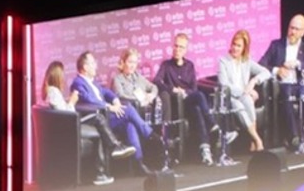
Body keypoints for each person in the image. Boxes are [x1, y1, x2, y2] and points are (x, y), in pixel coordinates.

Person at [41, 59, 134, 184]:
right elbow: (65, 115)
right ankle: (115, 146)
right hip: (69, 126)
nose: (63, 78)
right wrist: (72, 101)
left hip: (69, 124)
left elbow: (62, 111)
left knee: (99, 130)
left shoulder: (51, 91)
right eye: (62, 75)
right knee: (98, 117)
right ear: (57, 76)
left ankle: (100, 174)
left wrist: (69, 102)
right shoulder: (53, 92)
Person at [153, 32, 238, 167]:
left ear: (185, 50)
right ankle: (213, 125)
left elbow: (193, 88)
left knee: (197, 106)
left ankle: (206, 152)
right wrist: (173, 90)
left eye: (181, 47)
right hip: (177, 104)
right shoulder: (166, 65)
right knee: (199, 98)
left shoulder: (189, 66)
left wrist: (184, 92)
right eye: (175, 46)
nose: (177, 49)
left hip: (189, 100)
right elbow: (157, 81)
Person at [71, 50, 161, 174]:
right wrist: (109, 106)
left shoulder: (93, 82)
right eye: (93, 63)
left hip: (106, 116)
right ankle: (150, 134)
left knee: (130, 125)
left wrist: (116, 101)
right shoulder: (78, 83)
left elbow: (107, 92)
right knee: (128, 108)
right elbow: (89, 100)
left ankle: (138, 163)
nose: (96, 65)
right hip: (97, 118)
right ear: (85, 67)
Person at [258, 14, 304, 153]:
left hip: (300, 84)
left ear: (303, 32)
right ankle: (295, 137)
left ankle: (297, 132)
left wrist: (298, 63)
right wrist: (277, 70)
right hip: (283, 85)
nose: (292, 32)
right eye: (291, 28)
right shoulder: (276, 45)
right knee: (287, 92)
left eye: (296, 29)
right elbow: (261, 64)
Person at [217, 29, 272, 152]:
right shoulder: (223, 61)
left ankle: (252, 142)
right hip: (228, 97)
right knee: (239, 105)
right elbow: (224, 85)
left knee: (248, 101)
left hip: (243, 95)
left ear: (244, 48)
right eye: (234, 44)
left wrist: (253, 81)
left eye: (239, 46)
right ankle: (257, 139)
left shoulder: (246, 62)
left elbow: (266, 72)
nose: (235, 48)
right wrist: (245, 91)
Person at [112, 47, 159, 113]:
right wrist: (140, 99)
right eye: (130, 62)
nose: (133, 66)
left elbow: (153, 87)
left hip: (144, 109)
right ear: (123, 62)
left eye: (135, 63)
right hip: (130, 111)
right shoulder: (118, 79)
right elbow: (121, 96)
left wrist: (152, 95)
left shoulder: (138, 76)